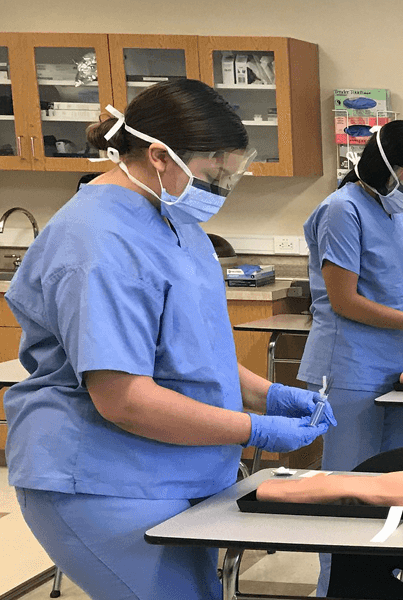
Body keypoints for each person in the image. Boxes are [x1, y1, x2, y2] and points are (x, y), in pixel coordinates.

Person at [3, 79, 332, 600]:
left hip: (184, 474)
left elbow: (197, 351)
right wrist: (255, 430)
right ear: (159, 155)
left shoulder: (177, 223)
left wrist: (268, 395)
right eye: (213, 174)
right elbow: (124, 399)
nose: (221, 188)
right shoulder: (96, 241)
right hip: (104, 481)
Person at [297, 120, 403, 593]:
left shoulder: (390, 214)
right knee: (350, 489)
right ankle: (336, 588)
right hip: (348, 368)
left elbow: (392, 289)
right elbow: (345, 300)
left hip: (392, 367)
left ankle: (377, 583)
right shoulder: (341, 210)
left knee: (392, 484)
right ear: (384, 166)